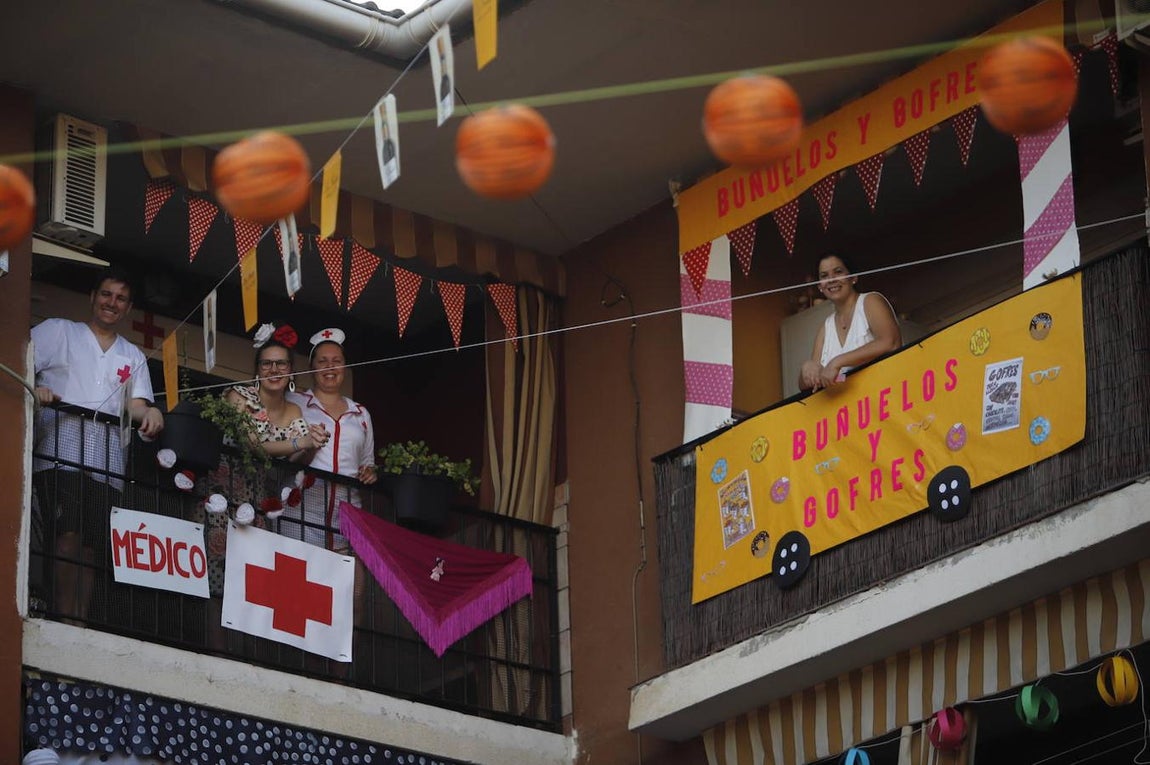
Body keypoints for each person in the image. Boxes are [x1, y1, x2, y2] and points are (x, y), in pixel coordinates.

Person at [31, 268, 165, 620]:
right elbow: (20, 362)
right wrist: (36, 387)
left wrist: (152, 413)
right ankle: (63, 616)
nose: (112, 303)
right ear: (92, 297)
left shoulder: (132, 355)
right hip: (59, 453)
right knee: (66, 538)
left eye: (121, 298)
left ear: (128, 307)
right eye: (106, 294)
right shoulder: (59, 331)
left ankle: (79, 620)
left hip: (107, 465)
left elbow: (135, 405)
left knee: (91, 548)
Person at [200, 326, 329, 598]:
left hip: (258, 503)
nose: (274, 370)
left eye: (281, 364)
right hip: (221, 498)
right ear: (257, 370)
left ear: (291, 371)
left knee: (250, 588)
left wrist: (313, 444)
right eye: (267, 364)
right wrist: (301, 442)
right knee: (216, 581)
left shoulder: (293, 410)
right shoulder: (239, 396)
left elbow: (295, 459)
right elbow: (252, 445)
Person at [286, 328, 377, 551]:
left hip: (347, 512)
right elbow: (284, 453)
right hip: (302, 508)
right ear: (312, 367)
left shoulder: (361, 413)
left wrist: (369, 472)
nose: (330, 367)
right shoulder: (294, 402)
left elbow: (367, 462)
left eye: (337, 361)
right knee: (297, 566)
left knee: (349, 568)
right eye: (322, 361)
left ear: (344, 367)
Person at [798, 254, 901, 392]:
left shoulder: (870, 301)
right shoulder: (826, 327)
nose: (831, 279)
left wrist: (838, 362)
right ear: (820, 286)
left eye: (838, 271)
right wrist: (806, 369)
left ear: (853, 277)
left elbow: (891, 342)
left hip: (885, 398)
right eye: (824, 275)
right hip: (848, 405)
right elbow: (810, 384)